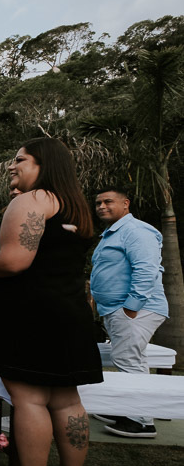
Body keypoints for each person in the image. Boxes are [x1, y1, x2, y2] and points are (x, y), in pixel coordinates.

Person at [0, 137, 101, 466]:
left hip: (30, 314)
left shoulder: (30, 201)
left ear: (44, 165)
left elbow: (13, 261)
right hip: (70, 313)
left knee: (29, 397)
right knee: (66, 398)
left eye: (20, 160)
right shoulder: (76, 207)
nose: (12, 166)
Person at [90, 187, 167, 438]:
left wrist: (130, 309)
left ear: (126, 203)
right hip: (119, 309)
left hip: (137, 309)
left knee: (129, 362)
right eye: (99, 203)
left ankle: (141, 420)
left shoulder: (136, 231)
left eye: (108, 201)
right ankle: (127, 409)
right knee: (131, 359)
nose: (102, 206)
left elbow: (146, 270)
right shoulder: (112, 233)